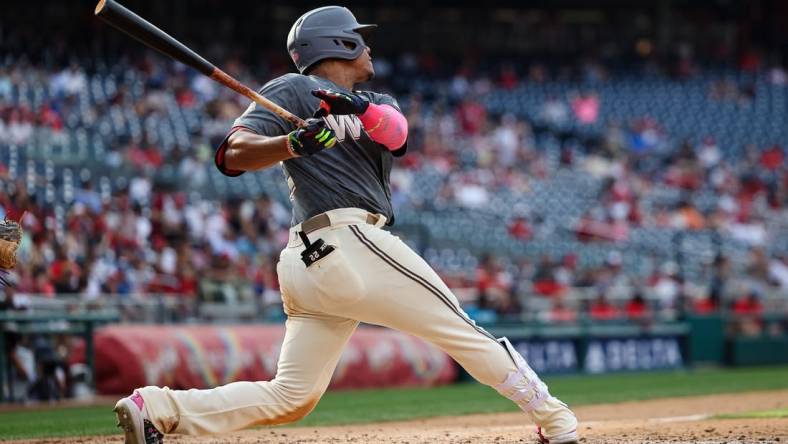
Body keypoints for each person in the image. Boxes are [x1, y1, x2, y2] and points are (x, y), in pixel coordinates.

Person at [113, 6, 578, 444]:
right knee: (460, 330)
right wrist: (293, 143)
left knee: (291, 397)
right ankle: (556, 421)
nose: (368, 47)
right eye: (359, 39)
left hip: (316, 263)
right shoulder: (293, 89)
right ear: (336, 44)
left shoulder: (376, 100)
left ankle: (157, 408)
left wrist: (353, 109)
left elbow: (397, 135)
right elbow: (232, 154)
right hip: (344, 239)